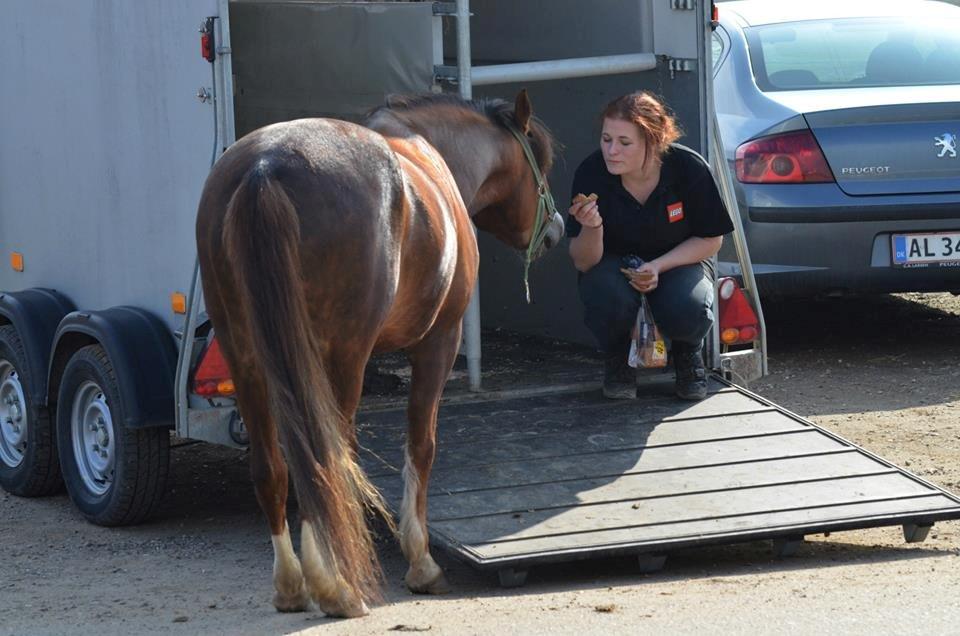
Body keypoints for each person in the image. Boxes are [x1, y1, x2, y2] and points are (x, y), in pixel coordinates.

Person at [566, 91, 734, 401]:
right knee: (604, 293)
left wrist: (658, 267)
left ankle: (687, 353)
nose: (611, 151)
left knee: (691, 306)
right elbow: (582, 261)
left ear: (653, 141)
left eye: (624, 143)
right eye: (606, 139)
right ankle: (617, 358)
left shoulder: (688, 168)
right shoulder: (591, 173)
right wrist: (593, 227)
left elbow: (712, 239)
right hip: (612, 265)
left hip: (678, 260)